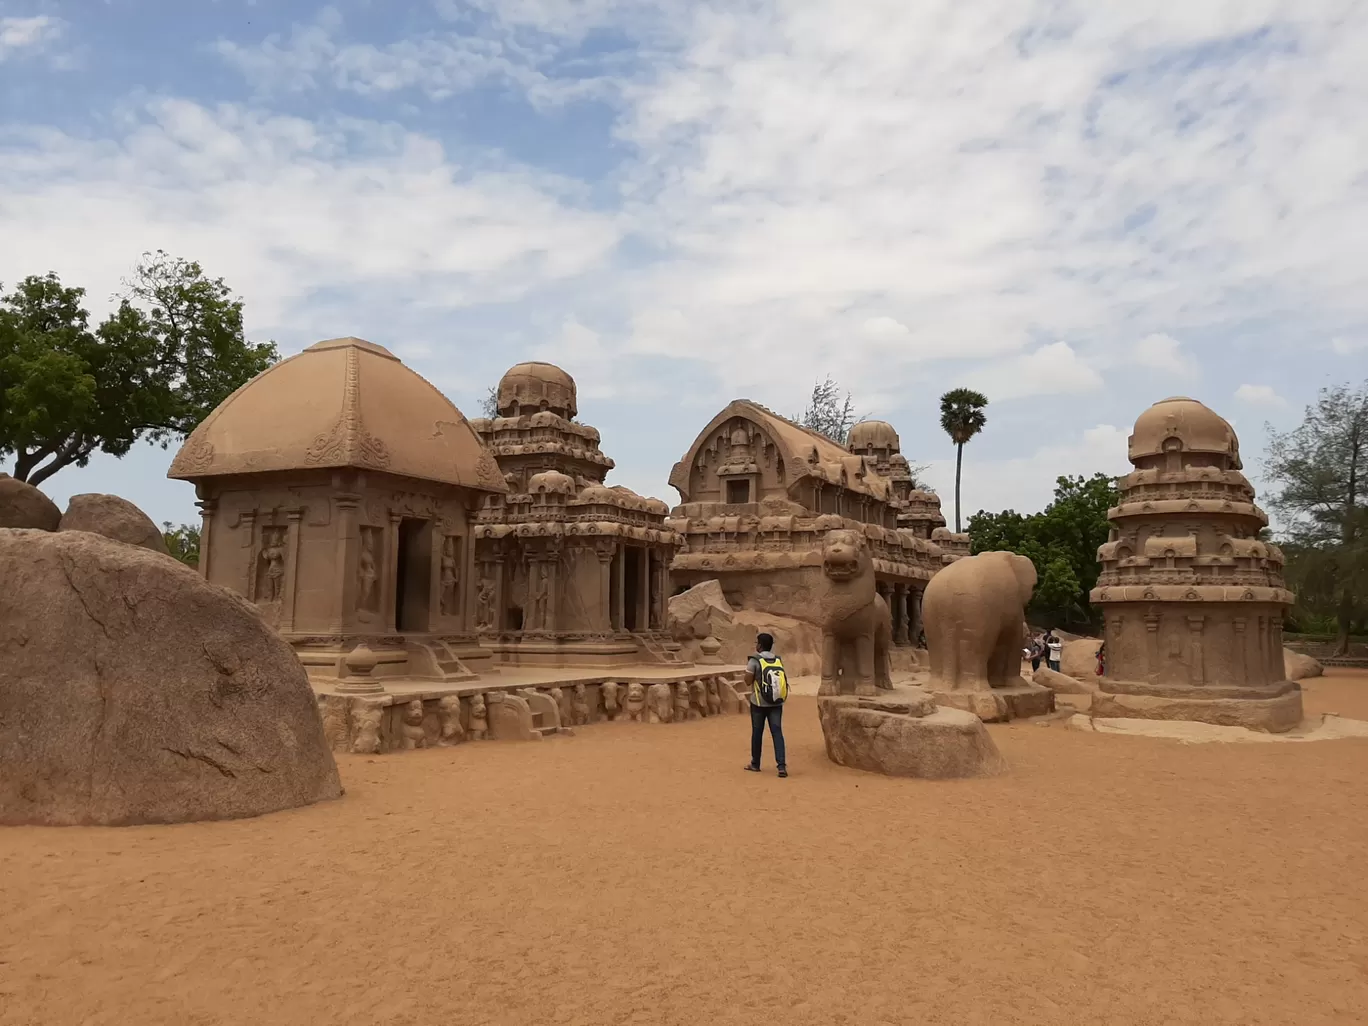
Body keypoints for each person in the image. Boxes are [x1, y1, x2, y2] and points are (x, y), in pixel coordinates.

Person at [743, 632, 788, 778]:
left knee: (757, 733)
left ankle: (755, 764)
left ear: (760, 645)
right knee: (777, 732)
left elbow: (747, 681)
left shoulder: (754, 661)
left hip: (758, 702)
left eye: (757, 642)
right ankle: (781, 766)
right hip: (776, 702)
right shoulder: (778, 660)